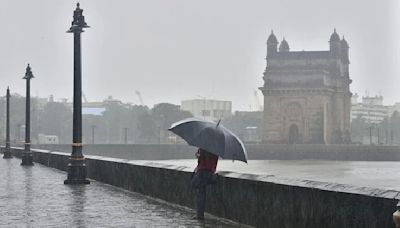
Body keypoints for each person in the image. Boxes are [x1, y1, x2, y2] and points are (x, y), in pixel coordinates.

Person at [190, 148, 219, 221]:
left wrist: (198, 155)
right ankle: (199, 215)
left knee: (200, 194)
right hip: (210, 172)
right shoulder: (216, 148)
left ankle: (200, 216)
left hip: (202, 172)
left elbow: (202, 159)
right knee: (200, 192)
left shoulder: (204, 147)